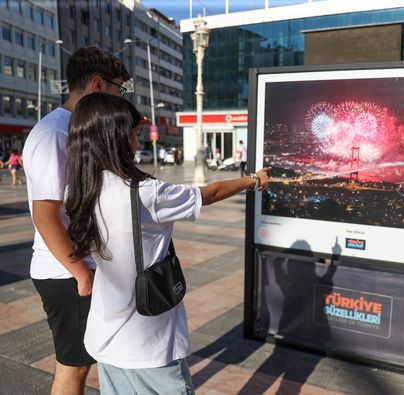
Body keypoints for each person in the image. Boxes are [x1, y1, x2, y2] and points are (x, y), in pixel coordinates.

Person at [64, 93, 270, 394]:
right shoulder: (146, 193)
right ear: (114, 138)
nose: (137, 144)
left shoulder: (79, 191)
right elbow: (208, 194)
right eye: (134, 135)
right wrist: (253, 180)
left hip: (104, 335)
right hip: (148, 341)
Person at [22, 46, 130, 395]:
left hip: (80, 266)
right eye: (119, 88)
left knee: (85, 363)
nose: (120, 97)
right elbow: (45, 215)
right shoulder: (54, 133)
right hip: (66, 271)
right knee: (74, 369)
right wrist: (82, 274)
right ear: (98, 84)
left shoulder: (78, 128)